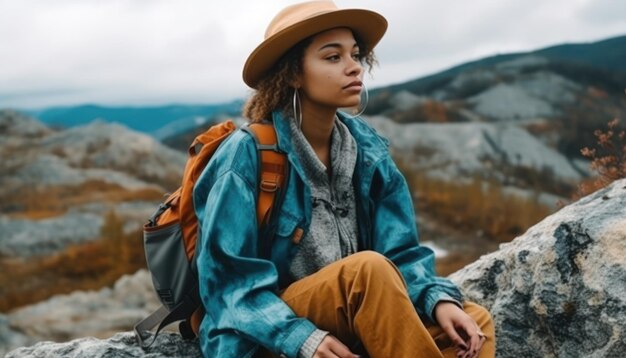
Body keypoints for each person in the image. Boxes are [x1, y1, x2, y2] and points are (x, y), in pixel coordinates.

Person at [193, 1, 495, 357]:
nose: (354, 68)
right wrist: (301, 338)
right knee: (367, 270)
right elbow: (228, 283)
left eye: (355, 55)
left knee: (472, 321)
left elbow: (402, 252)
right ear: (292, 73)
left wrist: (435, 298)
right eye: (333, 57)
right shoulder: (246, 154)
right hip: (267, 330)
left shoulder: (369, 152)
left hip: (353, 317)